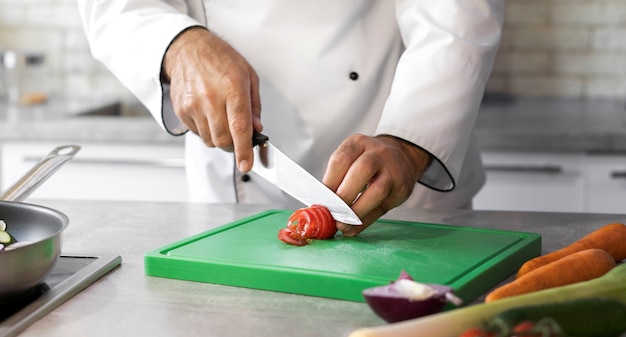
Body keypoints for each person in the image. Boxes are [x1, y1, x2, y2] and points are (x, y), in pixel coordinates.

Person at [78, 0, 505, 236]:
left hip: (396, 182)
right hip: (229, 193)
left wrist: (409, 143)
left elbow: (456, 16)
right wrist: (177, 45)